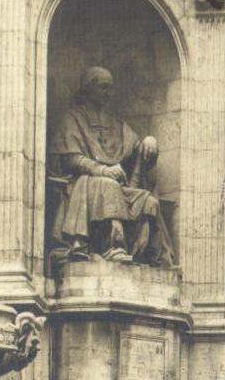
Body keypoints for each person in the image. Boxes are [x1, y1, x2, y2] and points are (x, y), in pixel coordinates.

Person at [51, 66, 171, 265]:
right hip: (83, 185)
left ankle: (152, 259)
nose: (109, 93)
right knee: (108, 185)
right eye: (104, 88)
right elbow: (70, 159)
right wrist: (103, 170)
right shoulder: (71, 119)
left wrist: (150, 143)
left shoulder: (116, 124)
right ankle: (113, 246)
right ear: (89, 90)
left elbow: (136, 149)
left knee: (147, 200)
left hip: (116, 186)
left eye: (110, 88)